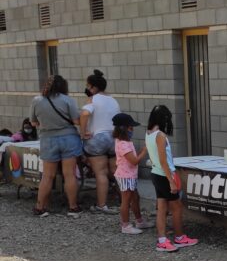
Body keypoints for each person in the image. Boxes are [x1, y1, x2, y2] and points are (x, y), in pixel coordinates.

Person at [144, 105, 198, 252]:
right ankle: (179, 237)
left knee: (162, 208)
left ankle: (162, 239)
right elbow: (163, 161)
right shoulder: (160, 135)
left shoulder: (148, 133)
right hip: (164, 175)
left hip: (156, 173)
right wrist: (171, 180)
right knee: (176, 208)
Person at [29, 74, 83, 217]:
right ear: (63, 86)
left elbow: (33, 123)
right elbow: (76, 121)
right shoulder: (68, 100)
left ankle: (40, 207)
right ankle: (73, 207)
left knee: (47, 176)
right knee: (69, 174)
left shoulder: (37, 100)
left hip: (47, 139)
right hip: (69, 139)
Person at [80, 69, 120, 214]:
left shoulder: (93, 99)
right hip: (114, 138)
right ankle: (125, 202)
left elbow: (85, 114)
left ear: (93, 87)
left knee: (101, 173)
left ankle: (102, 205)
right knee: (116, 172)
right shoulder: (113, 100)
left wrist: (83, 132)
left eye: (87, 86)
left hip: (97, 139)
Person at [112, 113, 154, 235]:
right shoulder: (123, 144)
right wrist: (145, 150)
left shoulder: (124, 141)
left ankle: (139, 221)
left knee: (135, 197)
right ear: (124, 129)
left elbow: (133, 156)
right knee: (126, 200)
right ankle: (125, 225)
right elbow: (134, 160)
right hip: (126, 176)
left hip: (130, 175)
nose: (132, 130)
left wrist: (142, 149)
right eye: (130, 128)